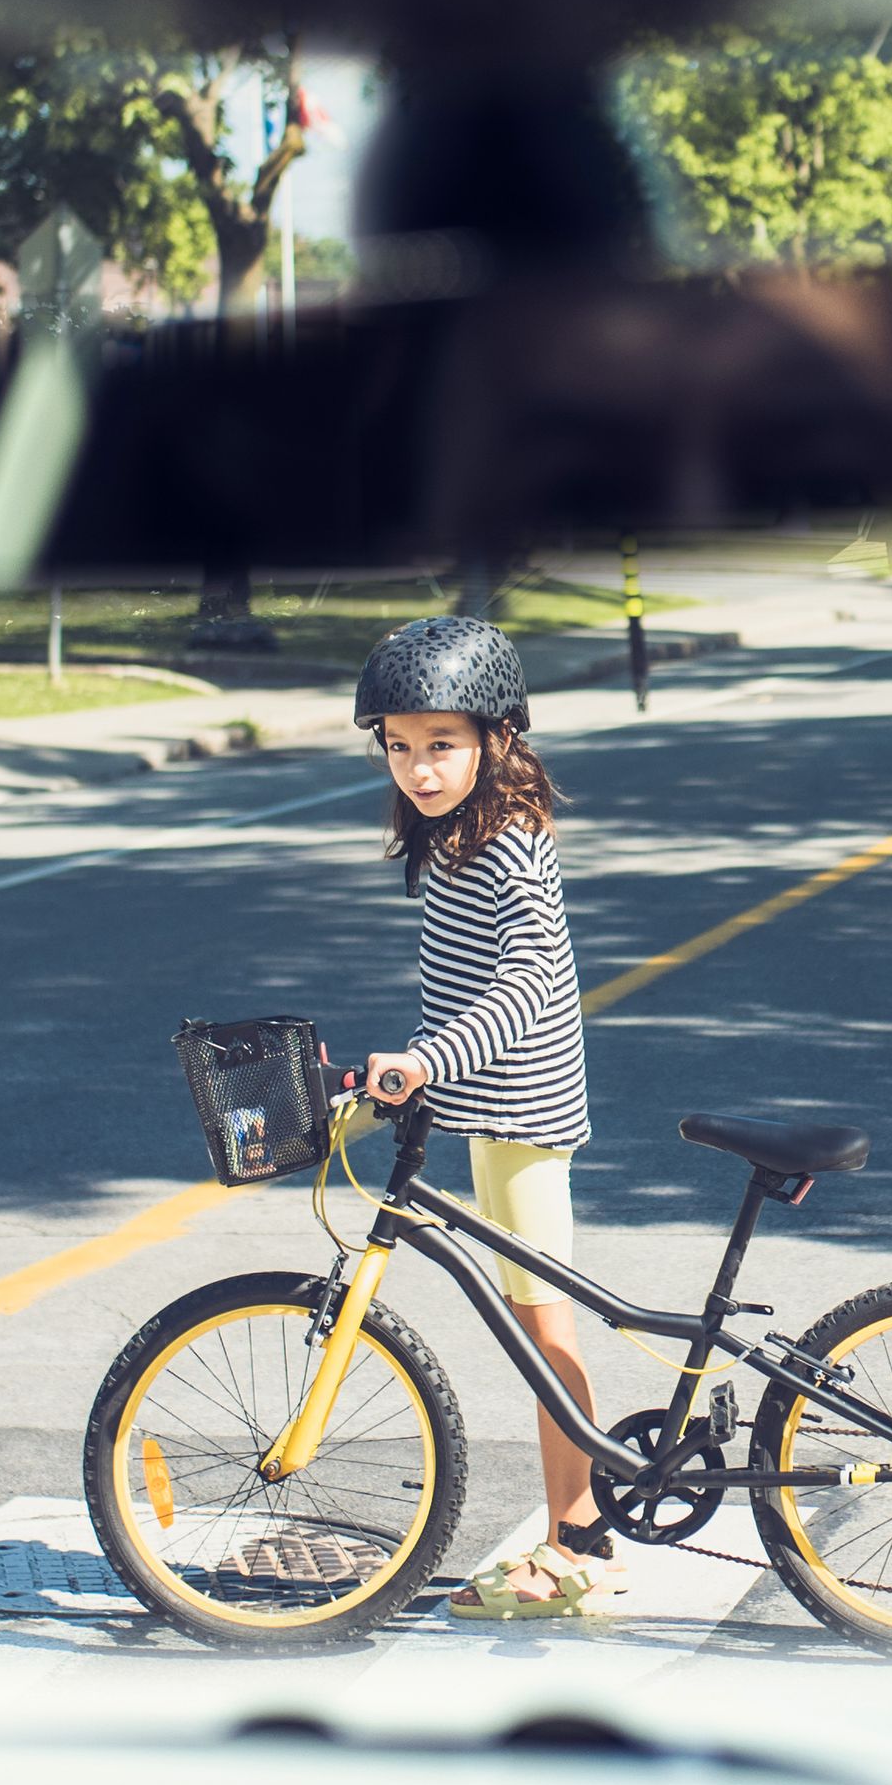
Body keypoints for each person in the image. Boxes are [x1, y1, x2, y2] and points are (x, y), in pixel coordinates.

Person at [342, 616, 619, 1615]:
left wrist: (428, 1061)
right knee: (530, 1322)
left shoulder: (506, 845)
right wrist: (408, 1077)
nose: (418, 769)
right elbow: (455, 990)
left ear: (496, 739)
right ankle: (574, 1531)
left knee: (544, 1329)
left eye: (440, 745)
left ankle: (581, 1540)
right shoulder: (453, 839)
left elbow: (528, 981)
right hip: (488, 1112)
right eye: (399, 746)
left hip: (524, 1117)